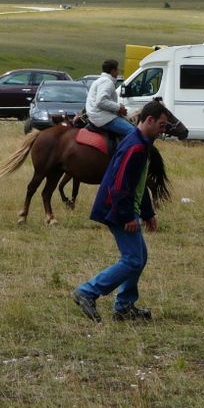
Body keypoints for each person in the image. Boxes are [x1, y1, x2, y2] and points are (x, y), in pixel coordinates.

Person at [72, 101, 170, 323]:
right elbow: (119, 186)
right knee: (133, 259)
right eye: (161, 125)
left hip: (123, 207)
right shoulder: (135, 147)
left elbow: (138, 183)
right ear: (149, 120)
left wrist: (147, 213)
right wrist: (127, 216)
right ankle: (87, 292)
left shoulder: (142, 144)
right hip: (115, 208)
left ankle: (124, 306)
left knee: (139, 257)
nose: (163, 130)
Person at [86, 59, 133, 137]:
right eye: (117, 69)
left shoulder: (98, 81)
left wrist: (117, 108)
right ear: (113, 71)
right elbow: (101, 101)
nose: (118, 72)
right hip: (102, 118)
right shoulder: (107, 82)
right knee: (133, 131)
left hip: (95, 116)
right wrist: (119, 108)